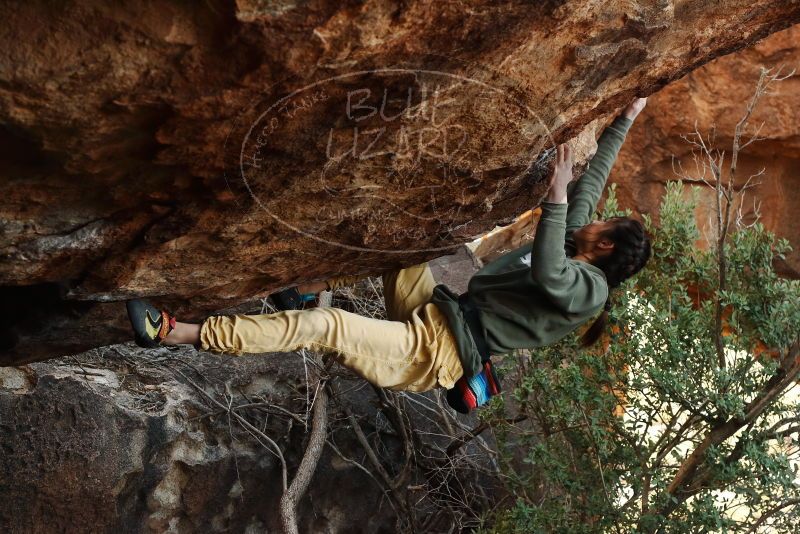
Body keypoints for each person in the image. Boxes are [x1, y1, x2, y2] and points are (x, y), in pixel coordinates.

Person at [126, 98, 652, 411]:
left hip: (435, 354)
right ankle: (306, 287)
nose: (597, 216)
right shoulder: (578, 241)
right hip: (440, 311)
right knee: (404, 243)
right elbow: (595, 178)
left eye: (606, 223)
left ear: (604, 246)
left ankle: (180, 334)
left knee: (327, 328)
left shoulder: (590, 290)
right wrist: (627, 115)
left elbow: (549, 274)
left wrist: (554, 197)